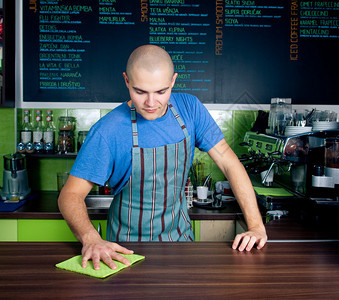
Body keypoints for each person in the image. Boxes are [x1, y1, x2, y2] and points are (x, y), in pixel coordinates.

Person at [58, 45, 267, 270]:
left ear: (173, 81)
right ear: (126, 80)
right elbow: (70, 196)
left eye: (161, 92)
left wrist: (255, 225)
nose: (150, 103)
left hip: (182, 245)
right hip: (125, 253)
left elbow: (229, 162)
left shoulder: (190, 109)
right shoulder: (108, 131)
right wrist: (91, 239)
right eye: (140, 91)